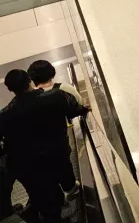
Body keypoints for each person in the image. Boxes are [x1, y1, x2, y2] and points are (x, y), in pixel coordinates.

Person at [0, 69, 88, 223]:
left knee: (47, 204)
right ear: (29, 81)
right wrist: (84, 108)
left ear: (10, 89)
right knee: (65, 186)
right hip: (57, 156)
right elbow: (74, 110)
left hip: (30, 167)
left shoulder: (4, 115)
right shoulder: (55, 96)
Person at [27, 61, 84, 199]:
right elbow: (80, 104)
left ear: (32, 78)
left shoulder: (29, 98)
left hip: (38, 148)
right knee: (64, 167)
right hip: (59, 142)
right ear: (52, 73)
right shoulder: (63, 88)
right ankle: (70, 190)